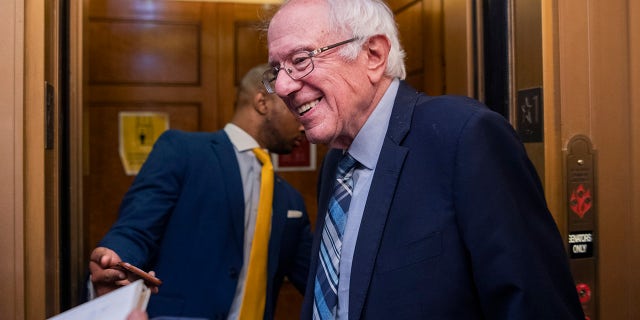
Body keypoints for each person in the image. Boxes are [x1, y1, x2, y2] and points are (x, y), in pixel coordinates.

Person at [263, 0, 585, 319]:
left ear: (373, 54)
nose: (281, 86)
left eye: (301, 59)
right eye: (277, 69)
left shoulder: (464, 137)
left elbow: (535, 306)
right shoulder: (336, 164)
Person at [88, 63, 313, 320]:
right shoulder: (183, 152)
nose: (304, 125)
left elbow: (319, 281)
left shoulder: (290, 200)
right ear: (262, 103)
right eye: (295, 109)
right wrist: (114, 256)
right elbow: (136, 228)